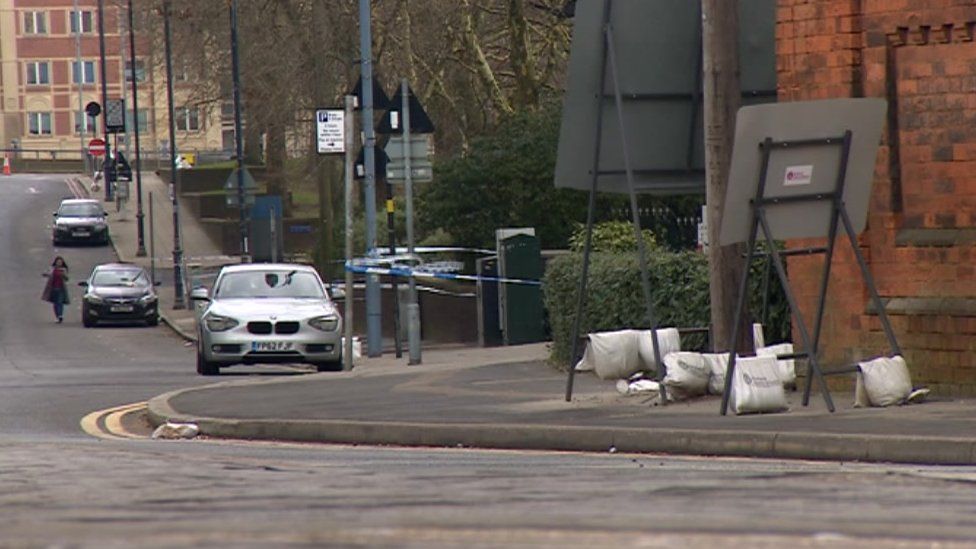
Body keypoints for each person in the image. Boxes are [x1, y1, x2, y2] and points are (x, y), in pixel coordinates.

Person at [41, 256, 70, 323]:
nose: (59, 263)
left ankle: (60, 315)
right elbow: (47, 273)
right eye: (58, 262)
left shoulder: (63, 270)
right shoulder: (52, 269)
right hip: (53, 288)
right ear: (55, 262)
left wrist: (63, 275)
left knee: (60, 302)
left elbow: (67, 278)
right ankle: (57, 316)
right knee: (55, 303)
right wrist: (45, 274)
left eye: (60, 262)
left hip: (61, 289)